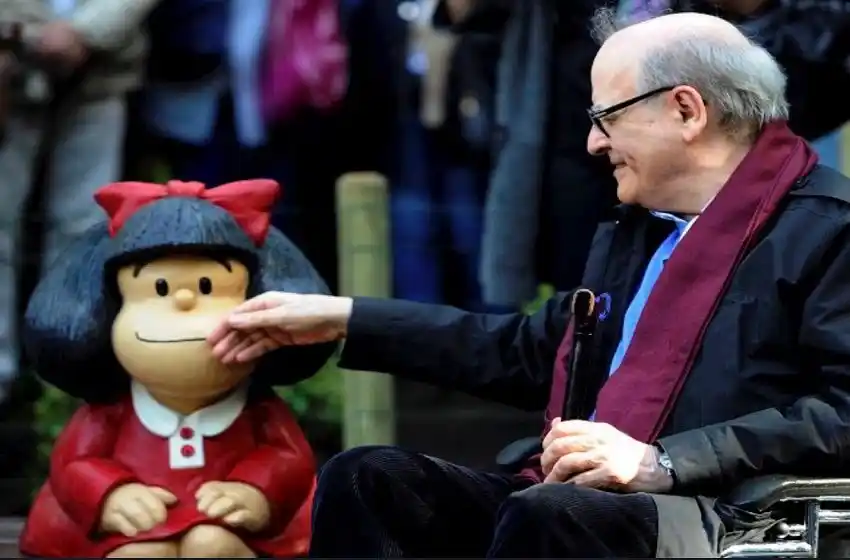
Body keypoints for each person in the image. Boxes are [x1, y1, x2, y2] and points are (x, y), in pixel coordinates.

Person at [207, 9, 850, 558]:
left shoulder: (827, 229)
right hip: (577, 500)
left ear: (686, 110)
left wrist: (666, 461)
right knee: (367, 478)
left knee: (550, 515)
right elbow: (527, 352)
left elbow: (842, 412)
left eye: (607, 116)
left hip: (731, 515)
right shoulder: (640, 232)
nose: (594, 143)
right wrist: (346, 318)